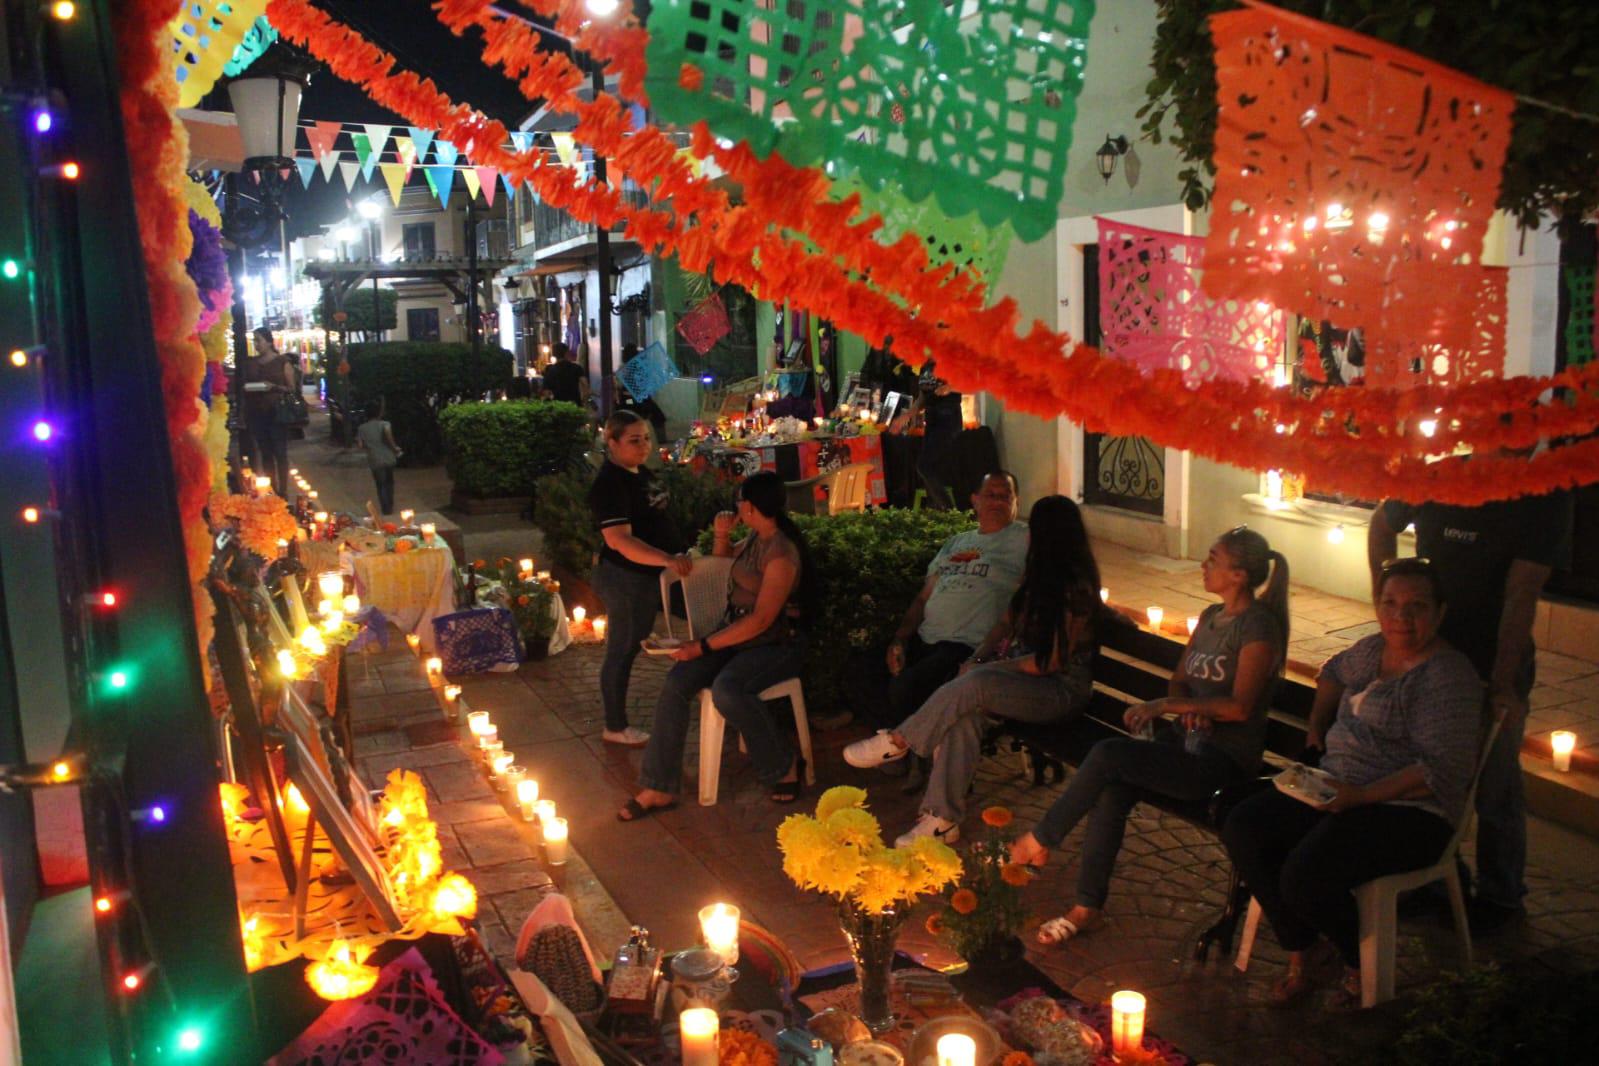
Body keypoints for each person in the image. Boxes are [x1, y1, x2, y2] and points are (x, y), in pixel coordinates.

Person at [1221, 558, 1484, 1007]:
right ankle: (1305, 947)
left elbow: (1437, 772)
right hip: (1336, 784)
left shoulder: (1446, 677)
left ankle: (1355, 958)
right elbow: (1333, 673)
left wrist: (1359, 796)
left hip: (1409, 810)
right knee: (1243, 824)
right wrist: (1317, 727)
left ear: (1440, 613)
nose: (1401, 617)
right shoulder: (1372, 649)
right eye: (1390, 603)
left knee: (1304, 873)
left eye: (1416, 606)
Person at [1008, 526, 1290, 945]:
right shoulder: (1213, 618)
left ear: (1240, 575)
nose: (1203, 565)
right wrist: (1189, 708)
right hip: (1183, 743)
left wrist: (1166, 707)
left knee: (1107, 756)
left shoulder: (1258, 628)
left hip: (1220, 763)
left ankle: (1038, 841)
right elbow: (1180, 681)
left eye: (1213, 558)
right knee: (1113, 787)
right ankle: (1087, 908)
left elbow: (1240, 707)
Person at [844, 496, 1102, 845]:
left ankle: (899, 740)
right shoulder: (1037, 576)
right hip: (1022, 681)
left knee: (976, 684)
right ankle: (941, 819)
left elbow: (1049, 663)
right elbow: (1003, 626)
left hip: (1058, 691)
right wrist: (979, 658)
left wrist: (991, 669)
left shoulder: (1076, 587)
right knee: (963, 711)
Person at [1367, 487, 1570, 932]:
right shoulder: (1441, 474)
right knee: (1430, 768)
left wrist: (1503, 682)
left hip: (1489, 655)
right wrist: (1387, 595)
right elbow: (1383, 521)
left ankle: (1501, 893)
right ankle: (1439, 877)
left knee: (1494, 778)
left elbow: (1521, 597)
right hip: (1427, 651)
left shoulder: (1542, 497)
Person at [618, 472, 812, 819]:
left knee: (727, 690)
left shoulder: (782, 553)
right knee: (678, 681)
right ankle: (658, 786)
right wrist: (722, 536)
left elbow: (763, 620)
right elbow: (724, 566)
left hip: (776, 644)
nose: (736, 507)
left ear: (750, 506)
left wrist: (704, 647)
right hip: (738, 636)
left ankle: (783, 764)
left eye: (739, 501)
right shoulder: (757, 537)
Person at [847, 472, 1028, 748]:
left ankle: (901, 747)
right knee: (858, 671)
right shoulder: (957, 542)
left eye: (1006, 496)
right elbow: (922, 599)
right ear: (975, 501)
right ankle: (899, 745)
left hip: (966, 644)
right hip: (926, 637)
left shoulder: (1024, 540)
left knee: (906, 686)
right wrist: (901, 639)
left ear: (1016, 502)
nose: (998, 502)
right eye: (991, 495)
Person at [589, 410, 693, 747]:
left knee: (638, 640)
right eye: (634, 440)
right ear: (612, 442)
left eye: (646, 437)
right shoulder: (609, 484)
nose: (643, 445)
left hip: (655, 576)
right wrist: (666, 558)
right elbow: (619, 539)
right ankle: (615, 725)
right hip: (626, 578)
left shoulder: (641, 472)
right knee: (623, 647)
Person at [242, 326, 295, 496]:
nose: (256, 344)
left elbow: (292, 388)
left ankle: (283, 490)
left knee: (280, 452)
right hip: (257, 412)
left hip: (277, 412)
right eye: (254, 341)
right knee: (265, 453)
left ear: (269, 341)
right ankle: (271, 488)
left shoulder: (281, 362)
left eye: (259, 340)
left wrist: (274, 387)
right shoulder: (251, 363)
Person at [912, 361, 964, 510]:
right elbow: (922, 399)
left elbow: (972, 384)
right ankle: (935, 509)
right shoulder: (924, 366)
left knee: (924, 465)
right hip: (931, 419)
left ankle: (948, 510)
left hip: (947, 419)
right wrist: (906, 416)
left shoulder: (951, 360)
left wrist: (950, 388)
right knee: (929, 468)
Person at [355, 401, 402, 515]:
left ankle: (385, 508)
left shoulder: (361, 428)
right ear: (379, 413)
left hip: (374, 459)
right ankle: (390, 506)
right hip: (388, 457)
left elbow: (360, 446)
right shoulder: (385, 424)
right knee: (389, 483)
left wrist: (370, 445)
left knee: (380, 485)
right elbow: (389, 439)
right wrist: (396, 449)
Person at [543, 341, 590, 407]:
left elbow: (546, 393)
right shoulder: (576, 367)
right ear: (566, 353)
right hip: (575, 405)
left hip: (558, 407)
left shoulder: (550, 370)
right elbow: (586, 386)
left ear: (553, 355)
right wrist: (585, 400)